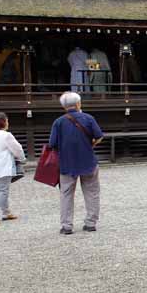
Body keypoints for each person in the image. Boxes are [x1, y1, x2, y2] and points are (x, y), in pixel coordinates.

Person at [49, 92, 104, 234]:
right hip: (88, 161)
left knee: (66, 193)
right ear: (79, 104)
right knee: (92, 192)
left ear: (63, 106)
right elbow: (98, 136)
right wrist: (90, 145)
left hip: (67, 162)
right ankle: (91, 223)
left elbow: (53, 144)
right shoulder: (88, 118)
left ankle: (67, 226)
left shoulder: (58, 122)